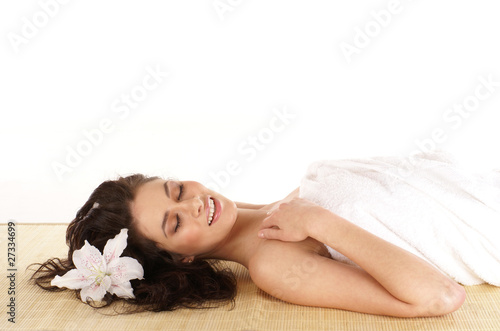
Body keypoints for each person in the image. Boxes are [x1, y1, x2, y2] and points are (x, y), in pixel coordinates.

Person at [32, 157, 475, 318]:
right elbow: (438, 298)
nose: (194, 205)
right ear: (180, 259)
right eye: (174, 224)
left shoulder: (274, 212)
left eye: (178, 191)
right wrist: (322, 223)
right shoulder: (275, 265)